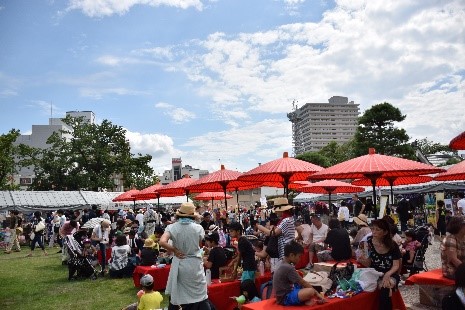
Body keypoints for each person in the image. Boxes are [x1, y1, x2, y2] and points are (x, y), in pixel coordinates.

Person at [159, 202, 212, 310]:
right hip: (194, 264)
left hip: (180, 263)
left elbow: (162, 242)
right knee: (199, 295)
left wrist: (174, 250)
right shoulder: (198, 228)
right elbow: (198, 244)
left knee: (180, 294)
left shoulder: (171, 227)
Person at [357, 219, 401, 310]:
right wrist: (361, 259)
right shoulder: (365, 243)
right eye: (373, 229)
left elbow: (396, 265)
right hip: (374, 273)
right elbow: (368, 264)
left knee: (385, 287)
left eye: (377, 230)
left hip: (390, 273)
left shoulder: (392, 245)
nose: (374, 232)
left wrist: (387, 274)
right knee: (384, 288)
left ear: (385, 232)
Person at [273, 240, 326, 306]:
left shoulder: (281, 262)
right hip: (285, 298)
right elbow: (303, 282)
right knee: (310, 291)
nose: (300, 259)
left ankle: (305, 300)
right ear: (292, 255)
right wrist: (317, 294)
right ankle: (305, 300)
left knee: (303, 285)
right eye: (299, 256)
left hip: (283, 294)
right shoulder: (288, 267)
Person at [256, 198, 295, 272]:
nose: (276, 212)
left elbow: (273, 233)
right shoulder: (289, 219)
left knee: (284, 275)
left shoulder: (285, 220)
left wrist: (261, 228)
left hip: (285, 252)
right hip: (286, 251)